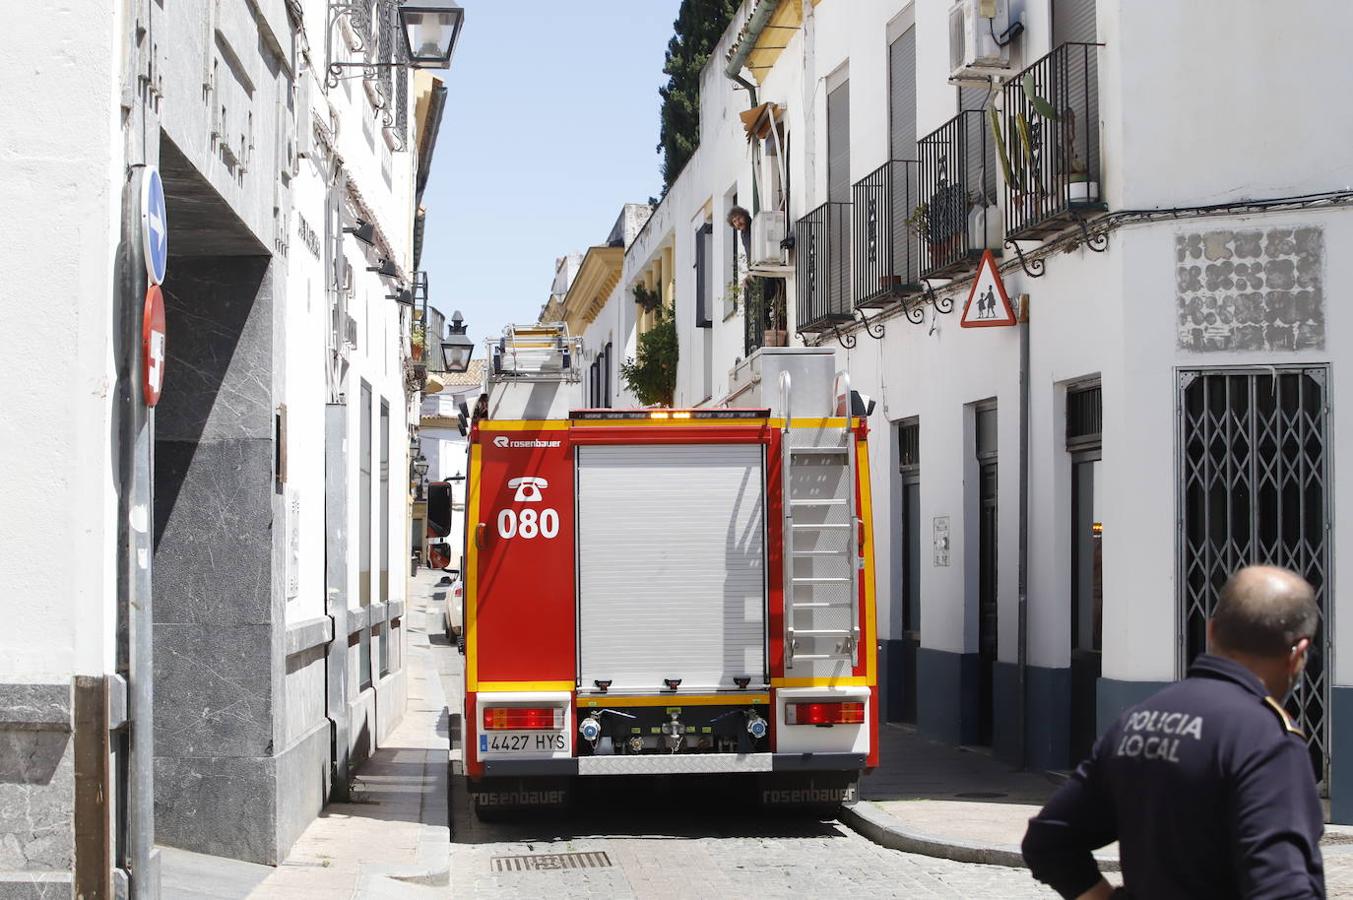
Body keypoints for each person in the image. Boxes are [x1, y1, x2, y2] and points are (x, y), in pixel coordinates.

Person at [1022, 565, 1325, 899]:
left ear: (1212, 632)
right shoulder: (1266, 739)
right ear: (1298, 654)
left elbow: (1049, 840)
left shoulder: (1137, 720)